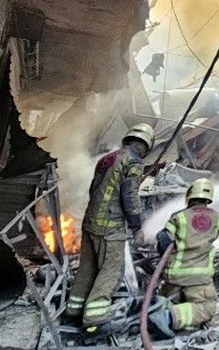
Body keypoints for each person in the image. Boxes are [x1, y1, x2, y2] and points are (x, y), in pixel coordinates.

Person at [65, 123, 155, 332]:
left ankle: (73, 310)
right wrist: (136, 227)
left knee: (87, 269)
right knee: (111, 270)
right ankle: (94, 319)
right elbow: (130, 196)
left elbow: (93, 189)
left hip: (90, 223)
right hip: (110, 227)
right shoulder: (133, 161)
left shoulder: (108, 158)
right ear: (146, 145)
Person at [148, 177, 219, 336]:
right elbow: (212, 237)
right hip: (199, 278)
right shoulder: (217, 218)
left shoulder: (178, 217)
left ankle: (167, 315)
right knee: (207, 308)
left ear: (190, 194)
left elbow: (163, 241)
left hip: (173, 275)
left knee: (169, 300)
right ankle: (169, 317)